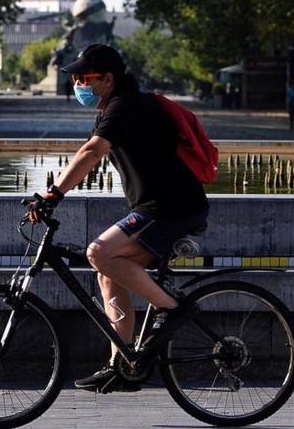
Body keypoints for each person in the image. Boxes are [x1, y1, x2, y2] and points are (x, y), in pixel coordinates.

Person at [27, 44, 210, 393]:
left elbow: (92, 152)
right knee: (108, 271)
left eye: (84, 77)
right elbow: (90, 153)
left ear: (107, 79)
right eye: (76, 77)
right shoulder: (116, 105)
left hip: (171, 208)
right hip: (160, 207)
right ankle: (123, 365)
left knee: (99, 252)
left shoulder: (125, 106)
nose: (77, 83)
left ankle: (172, 309)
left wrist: (54, 194)